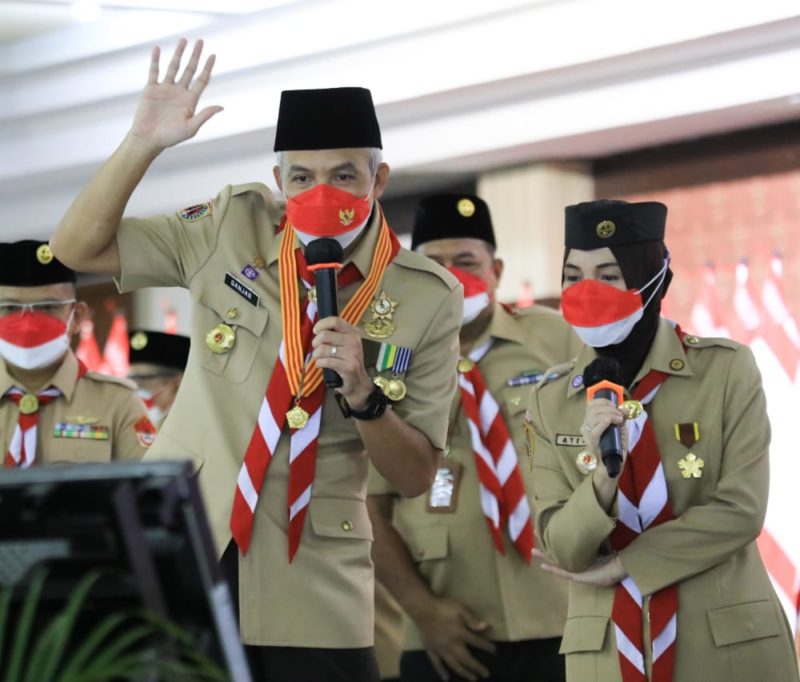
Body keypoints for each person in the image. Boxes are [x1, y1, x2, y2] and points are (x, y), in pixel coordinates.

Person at [49, 39, 462, 682]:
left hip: (313, 568)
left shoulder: (426, 295)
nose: (320, 193)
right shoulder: (227, 228)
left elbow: (414, 476)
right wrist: (142, 145)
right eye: (301, 177)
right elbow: (76, 248)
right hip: (185, 534)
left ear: (378, 180)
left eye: (343, 176)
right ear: (279, 181)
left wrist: (364, 395)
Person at [527, 199, 800, 682]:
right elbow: (561, 548)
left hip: (726, 646)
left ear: (653, 279)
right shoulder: (550, 399)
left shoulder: (724, 370)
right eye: (573, 275)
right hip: (606, 655)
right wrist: (601, 478)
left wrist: (626, 565)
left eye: (609, 275)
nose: (586, 291)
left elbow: (741, 510)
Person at [369, 194, 579, 682]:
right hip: (446, 626)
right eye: (434, 265)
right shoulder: (383, 361)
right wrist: (421, 609)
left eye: (466, 262)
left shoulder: (555, 341)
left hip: (562, 611)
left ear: (497, 269)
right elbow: (367, 506)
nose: (452, 276)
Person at [0, 240, 152, 471]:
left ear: (76, 317)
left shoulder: (118, 403)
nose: (27, 323)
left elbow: (149, 500)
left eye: (47, 307)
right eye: (10, 308)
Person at [127, 329, 190, 427]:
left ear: (177, 381)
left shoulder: (191, 425)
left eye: (142, 379)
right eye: (131, 379)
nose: (136, 387)